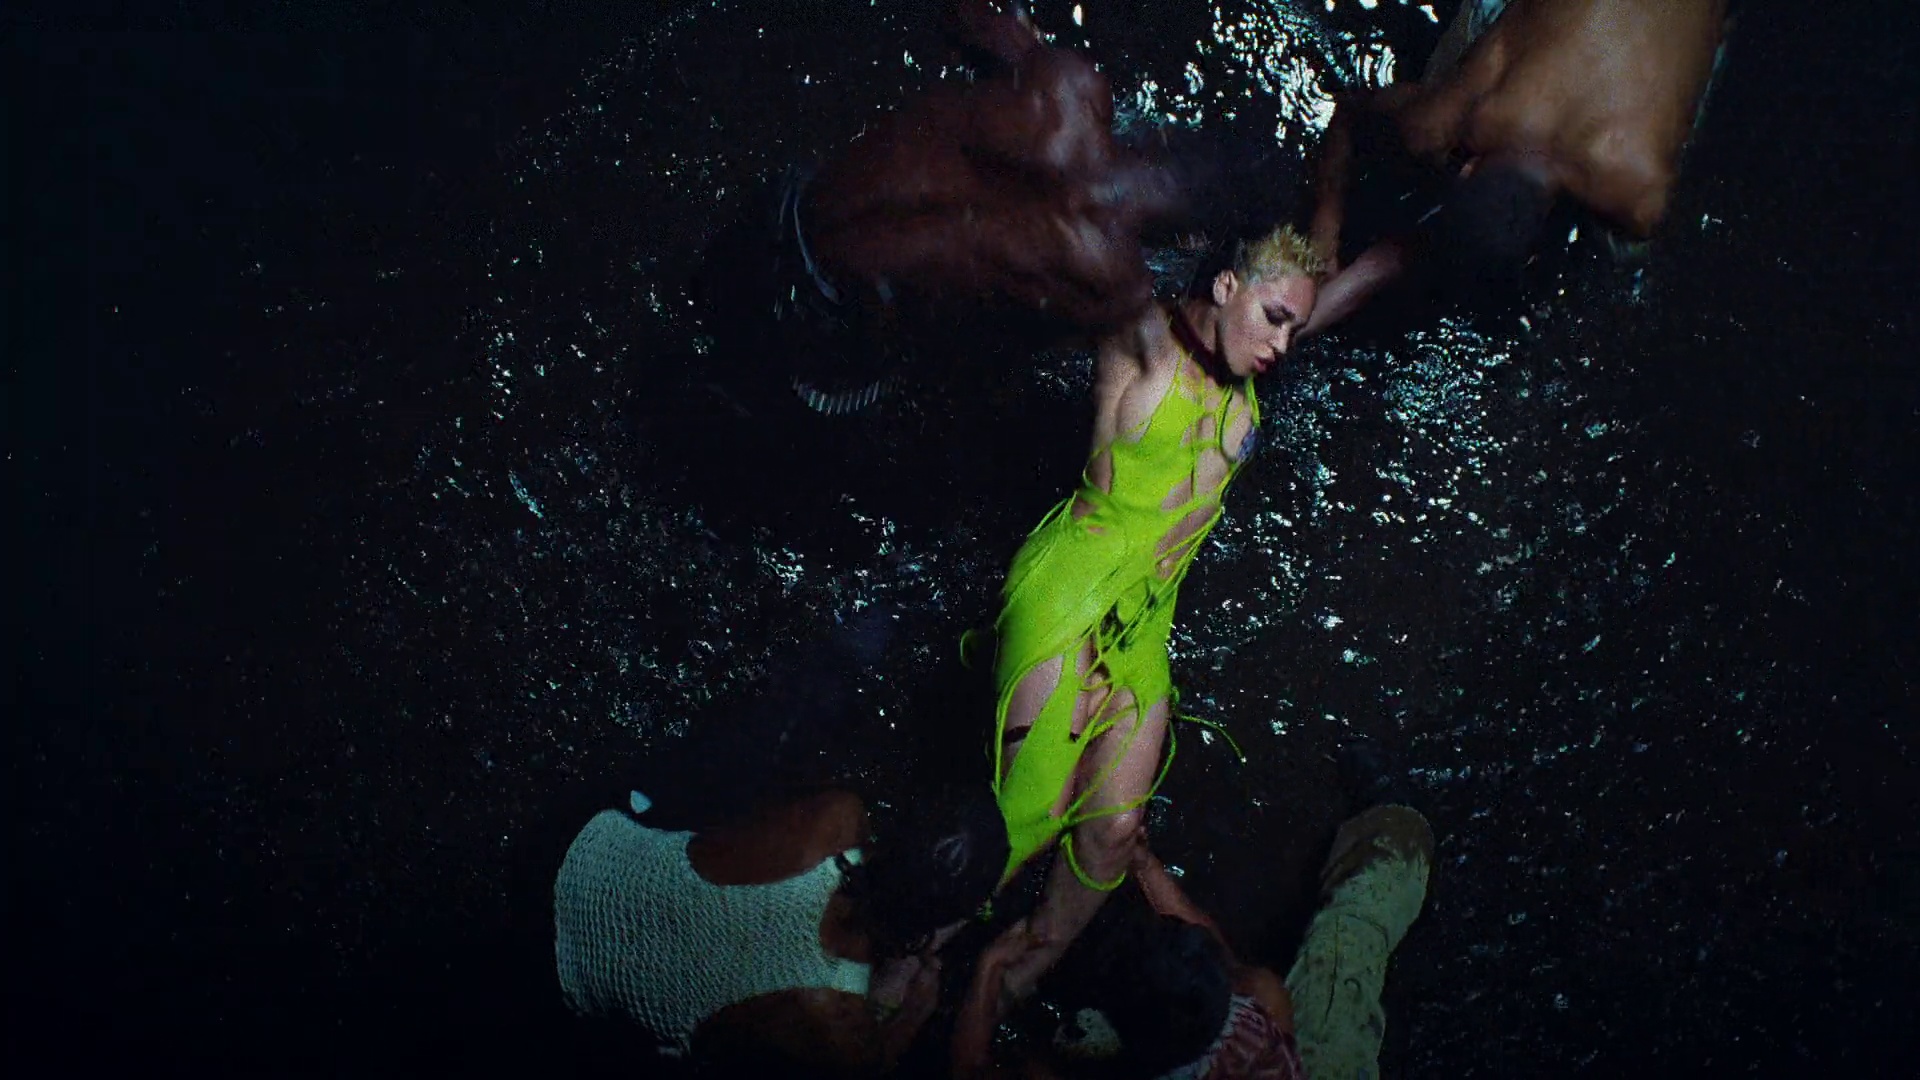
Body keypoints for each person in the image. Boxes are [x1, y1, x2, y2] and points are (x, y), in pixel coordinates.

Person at [967, 221, 1324, 1011]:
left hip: (1147, 622)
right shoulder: (1146, 345)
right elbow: (1101, 251)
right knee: (1032, 814)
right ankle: (905, 972)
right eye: (1275, 318)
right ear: (1225, 286)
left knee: (1114, 832)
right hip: (1070, 587)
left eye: (1295, 328)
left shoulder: (1250, 372)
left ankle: (1010, 985)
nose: (1283, 344)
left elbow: (1325, 283)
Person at [695, 0, 1192, 414]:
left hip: (795, 210)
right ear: (1187, 237)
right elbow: (987, 359)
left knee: (708, 301)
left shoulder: (1064, 81)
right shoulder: (1111, 285)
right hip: (825, 317)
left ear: (1160, 140)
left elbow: (963, 15)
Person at [954, 741, 1436, 1080]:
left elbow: (971, 1072)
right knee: (1346, 942)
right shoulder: (1260, 1010)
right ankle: (1397, 825)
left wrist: (988, 968)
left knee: (1061, 1046)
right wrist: (1143, 863)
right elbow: (1212, 948)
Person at [1303, 0, 1732, 335]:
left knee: (1627, 255)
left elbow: (1356, 111)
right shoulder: (1641, 197)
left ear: (1466, 167)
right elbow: (1352, 114)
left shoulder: (1643, 198)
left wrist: (1329, 225)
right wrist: (1323, 235)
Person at [549, 781, 1007, 1075]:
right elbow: (876, 1061)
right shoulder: (840, 1019)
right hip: (558, 989)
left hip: (568, 843)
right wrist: (912, 1012)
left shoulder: (836, 819)